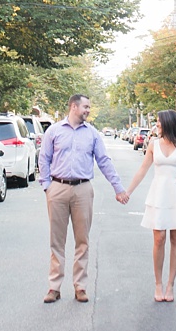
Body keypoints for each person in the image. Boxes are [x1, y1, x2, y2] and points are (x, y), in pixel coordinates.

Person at [39, 94, 129, 303]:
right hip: (58, 188)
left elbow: (104, 161)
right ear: (73, 106)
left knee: (82, 241)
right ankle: (54, 287)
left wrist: (118, 188)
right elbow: (44, 158)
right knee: (57, 241)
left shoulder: (92, 134)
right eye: (86, 107)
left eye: (89, 107)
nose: (88, 110)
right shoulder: (54, 131)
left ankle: (80, 287)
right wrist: (46, 186)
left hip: (83, 190)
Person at [123, 108, 176, 301]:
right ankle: (158, 284)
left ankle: (170, 285)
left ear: (168, 123)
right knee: (159, 238)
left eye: (159, 122)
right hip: (158, 195)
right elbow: (142, 170)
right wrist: (127, 192)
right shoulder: (153, 144)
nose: (157, 125)